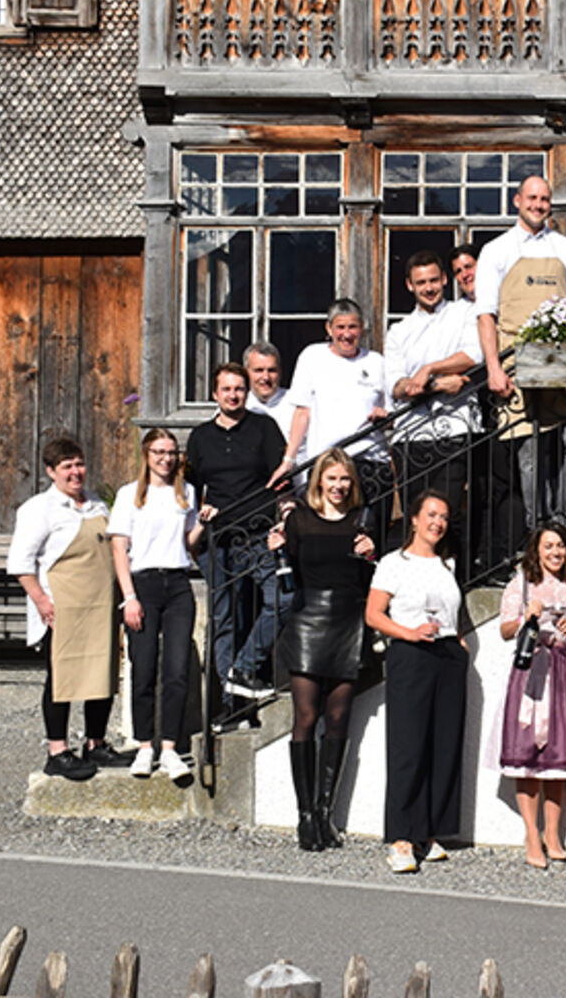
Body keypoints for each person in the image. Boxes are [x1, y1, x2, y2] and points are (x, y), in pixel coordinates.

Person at [476, 175, 566, 540]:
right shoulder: (496, 250)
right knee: (531, 451)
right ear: (517, 201)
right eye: (532, 198)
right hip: (517, 366)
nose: (539, 205)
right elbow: (486, 315)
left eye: (544, 199)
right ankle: (538, 530)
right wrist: (494, 368)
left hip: (565, 368)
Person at [267, 448, 375, 852]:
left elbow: (373, 575)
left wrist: (370, 555)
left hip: (348, 620)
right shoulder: (299, 519)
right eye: (332, 479)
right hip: (308, 617)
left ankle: (325, 812)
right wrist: (276, 544)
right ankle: (305, 816)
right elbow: (286, 569)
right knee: (306, 717)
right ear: (319, 482)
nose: (338, 486)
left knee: (339, 718)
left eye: (344, 479)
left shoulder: (364, 520)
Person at [8, 437, 130, 781]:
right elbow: (20, 562)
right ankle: (57, 750)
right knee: (61, 680)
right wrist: (41, 601)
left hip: (100, 606)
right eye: (67, 466)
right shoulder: (38, 509)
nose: (76, 472)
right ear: (51, 472)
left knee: (101, 677)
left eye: (79, 464)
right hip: (61, 608)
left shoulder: (96, 505)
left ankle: (96, 743)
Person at [365, 490, 469, 872]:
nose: (437, 522)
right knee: (408, 747)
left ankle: (429, 831)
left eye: (443, 516)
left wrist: (458, 643)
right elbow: (374, 615)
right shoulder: (395, 562)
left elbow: (453, 613)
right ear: (413, 519)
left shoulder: (447, 566)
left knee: (443, 747)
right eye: (431, 515)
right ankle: (401, 838)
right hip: (411, 655)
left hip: (446, 657)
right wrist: (408, 634)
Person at [185, 362, 288, 705]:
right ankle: (232, 706)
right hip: (220, 541)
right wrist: (195, 531)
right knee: (225, 619)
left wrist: (285, 518)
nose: (233, 395)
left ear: (247, 392)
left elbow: (282, 480)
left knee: (280, 598)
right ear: (215, 394)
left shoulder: (264, 427)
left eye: (239, 388)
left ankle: (242, 669)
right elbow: (190, 488)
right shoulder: (201, 437)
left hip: (259, 535)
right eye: (226, 389)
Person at [496, 523, 566, 868]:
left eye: (560, 546)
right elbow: (505, 631)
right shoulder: (521, 585)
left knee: (559, 756)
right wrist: (528, 616)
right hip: (533, 669)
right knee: (527, 755)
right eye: (548, 546)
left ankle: (553, 832)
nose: (555, 552)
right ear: (536, 551)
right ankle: (530, 834)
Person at [108, 429, 204, 785]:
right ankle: (145, 744)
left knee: (177, 669)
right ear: (146, 454)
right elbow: (119, 549)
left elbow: (188, 543)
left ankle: (169, 747)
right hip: (143, 585)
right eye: (159, 452)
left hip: (178, 584)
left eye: (171, 452)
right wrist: (128, 597)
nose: (166, 458)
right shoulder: (129, 496)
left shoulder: (187, 493)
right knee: (144, 666)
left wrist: (203, 524)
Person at [386, 250, 483, 555]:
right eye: (420, 282)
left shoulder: (464, 313)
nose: (428, 288)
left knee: (446, 513)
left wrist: (427, 371)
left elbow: (471, 357)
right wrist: (440, 383)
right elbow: (397, 386)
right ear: (409, 285)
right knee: (416, 518)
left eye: (433, 280)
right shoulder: (398, 331)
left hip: (454, 430)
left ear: (444, 279)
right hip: (410, 435)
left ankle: (452, 582)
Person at [277, 300, 390, 505]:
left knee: (370, 533)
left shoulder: (376, 361)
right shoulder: (312, 356)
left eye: (352, 327)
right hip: (325, 462)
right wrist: (288, 460)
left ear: (362, 328)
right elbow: (303, 412)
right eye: (340, 327)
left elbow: (391, 413)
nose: (346, 334)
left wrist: (384, 417)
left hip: (369, 461)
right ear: (329, 328)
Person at [244, 341, 297, 453]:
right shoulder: (236, 404)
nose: (266, 377)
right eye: (259, 370)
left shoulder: (297, 403)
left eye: (272, 370)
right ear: (246, 372)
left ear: (280, 372)